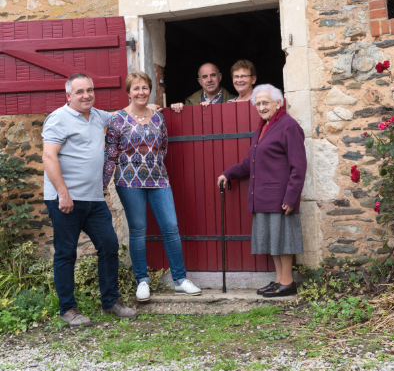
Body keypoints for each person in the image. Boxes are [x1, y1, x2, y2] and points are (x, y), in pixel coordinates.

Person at [42, 73, 137, 327]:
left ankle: (110, 302)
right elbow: (49, 157)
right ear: (69, 96)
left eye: (90, 90)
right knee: (66, 253)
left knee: (109, 245)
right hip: (65, 199)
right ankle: (68, 309)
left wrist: (147, 105)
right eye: (80, 91)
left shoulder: (97, 115)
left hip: (94, 200)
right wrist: (63, 193)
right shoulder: (58, 119)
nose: (86, 95)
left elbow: (123, 113)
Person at [103, 71, 201, 302]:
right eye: (136, 88)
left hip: (158, 180)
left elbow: (163, 147)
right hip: (128, 182)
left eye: (144, 88)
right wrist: (103, 184)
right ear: (128, 92)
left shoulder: (158, 118)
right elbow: (110, 154)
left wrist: (151, 167)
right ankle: (142, 281)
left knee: (171, 227)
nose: (141, 92)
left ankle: (179, 280)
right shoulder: (117, 119)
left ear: (150, 90)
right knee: (137, 231)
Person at [217, 84, 307, 298]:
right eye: (257, 103)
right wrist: (229, 173)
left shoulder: (288, 126)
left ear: (278, 103)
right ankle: (279, 281)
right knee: (273, 241)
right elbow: (252, 162)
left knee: (283, 241)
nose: (261, 107)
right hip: (264, 196)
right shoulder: (264, 127)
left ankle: (288, 282)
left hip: (280, 196)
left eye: (265, 102)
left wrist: (291, 197)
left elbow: (299, 165)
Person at [170, 62, 235, 113]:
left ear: (220, 77)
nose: (209, 80)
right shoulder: (190, 103)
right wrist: (176, 109)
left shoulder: (234, 101)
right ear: (200, 81)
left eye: (213, 75)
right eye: (204, 77)